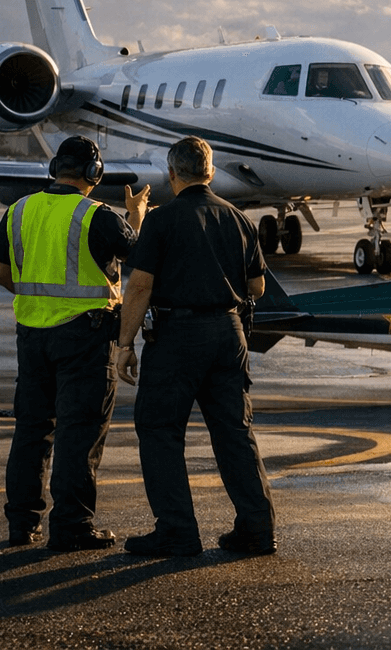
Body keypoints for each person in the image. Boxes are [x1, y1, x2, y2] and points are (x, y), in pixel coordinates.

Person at [116, 136, 276, 556]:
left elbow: (140, 288)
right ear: (210, 171)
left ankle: (178, 531)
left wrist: (124, 344)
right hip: (229, 334)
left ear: (172, 173)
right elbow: (257, 285)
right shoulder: (239, 219)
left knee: (160, 431)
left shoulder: (162, 220)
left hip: (177, 338)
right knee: (235, 435)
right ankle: (257, 530)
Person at [0, 135, 148, 550]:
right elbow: (140, 257)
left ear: (55, 168)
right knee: (79, 432)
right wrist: (137, 216)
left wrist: (40, 303)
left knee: (32, 431)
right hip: (85, 337)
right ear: (94, 174)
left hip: (32, 336)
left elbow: (4, 277)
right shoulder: (98, 215)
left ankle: (21, 525)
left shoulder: (18, 210)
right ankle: (72, 526)